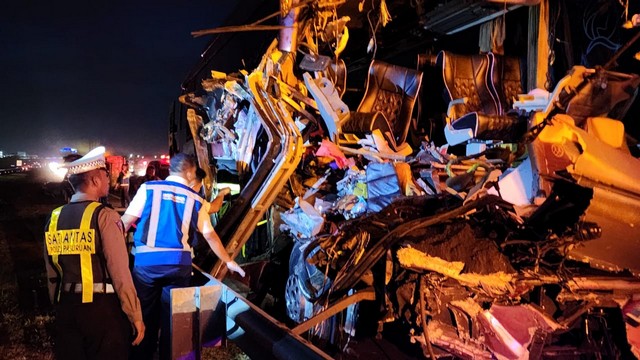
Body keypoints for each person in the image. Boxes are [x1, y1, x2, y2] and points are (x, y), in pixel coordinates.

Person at [121, 153, 245, 360]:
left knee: (144, 315)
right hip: (178, 266)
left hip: (146, 266)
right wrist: (229, 261)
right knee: (174, 319)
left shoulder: (149, 189)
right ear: (189, 172)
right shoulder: (195, 199)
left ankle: (143, 354)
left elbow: (125, 223)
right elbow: (210, 236)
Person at [43, 146, 144, 360]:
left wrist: (58, 304)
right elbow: (119, 271)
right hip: (101, 310)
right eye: (106, 176)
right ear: (95, 180)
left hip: (66, 307)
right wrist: (134, 314)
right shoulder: (105, 216)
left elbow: (51, 270)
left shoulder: (53, 218)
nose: (109, 181)